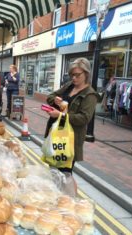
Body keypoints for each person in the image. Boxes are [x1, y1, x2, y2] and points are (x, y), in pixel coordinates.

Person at [44, 57, 99, 192]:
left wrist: (61, 115)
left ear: (86, 74)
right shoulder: (69, 86)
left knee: (65, 173)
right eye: (72, 75)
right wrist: (55, 100)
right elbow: (50, 96)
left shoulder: (90, 95)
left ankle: (67, 201)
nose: (74, 78)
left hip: (69, 140)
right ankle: (56, 198)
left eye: (77, 75)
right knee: (54, 170)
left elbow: (84, 118)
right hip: (56, 135)